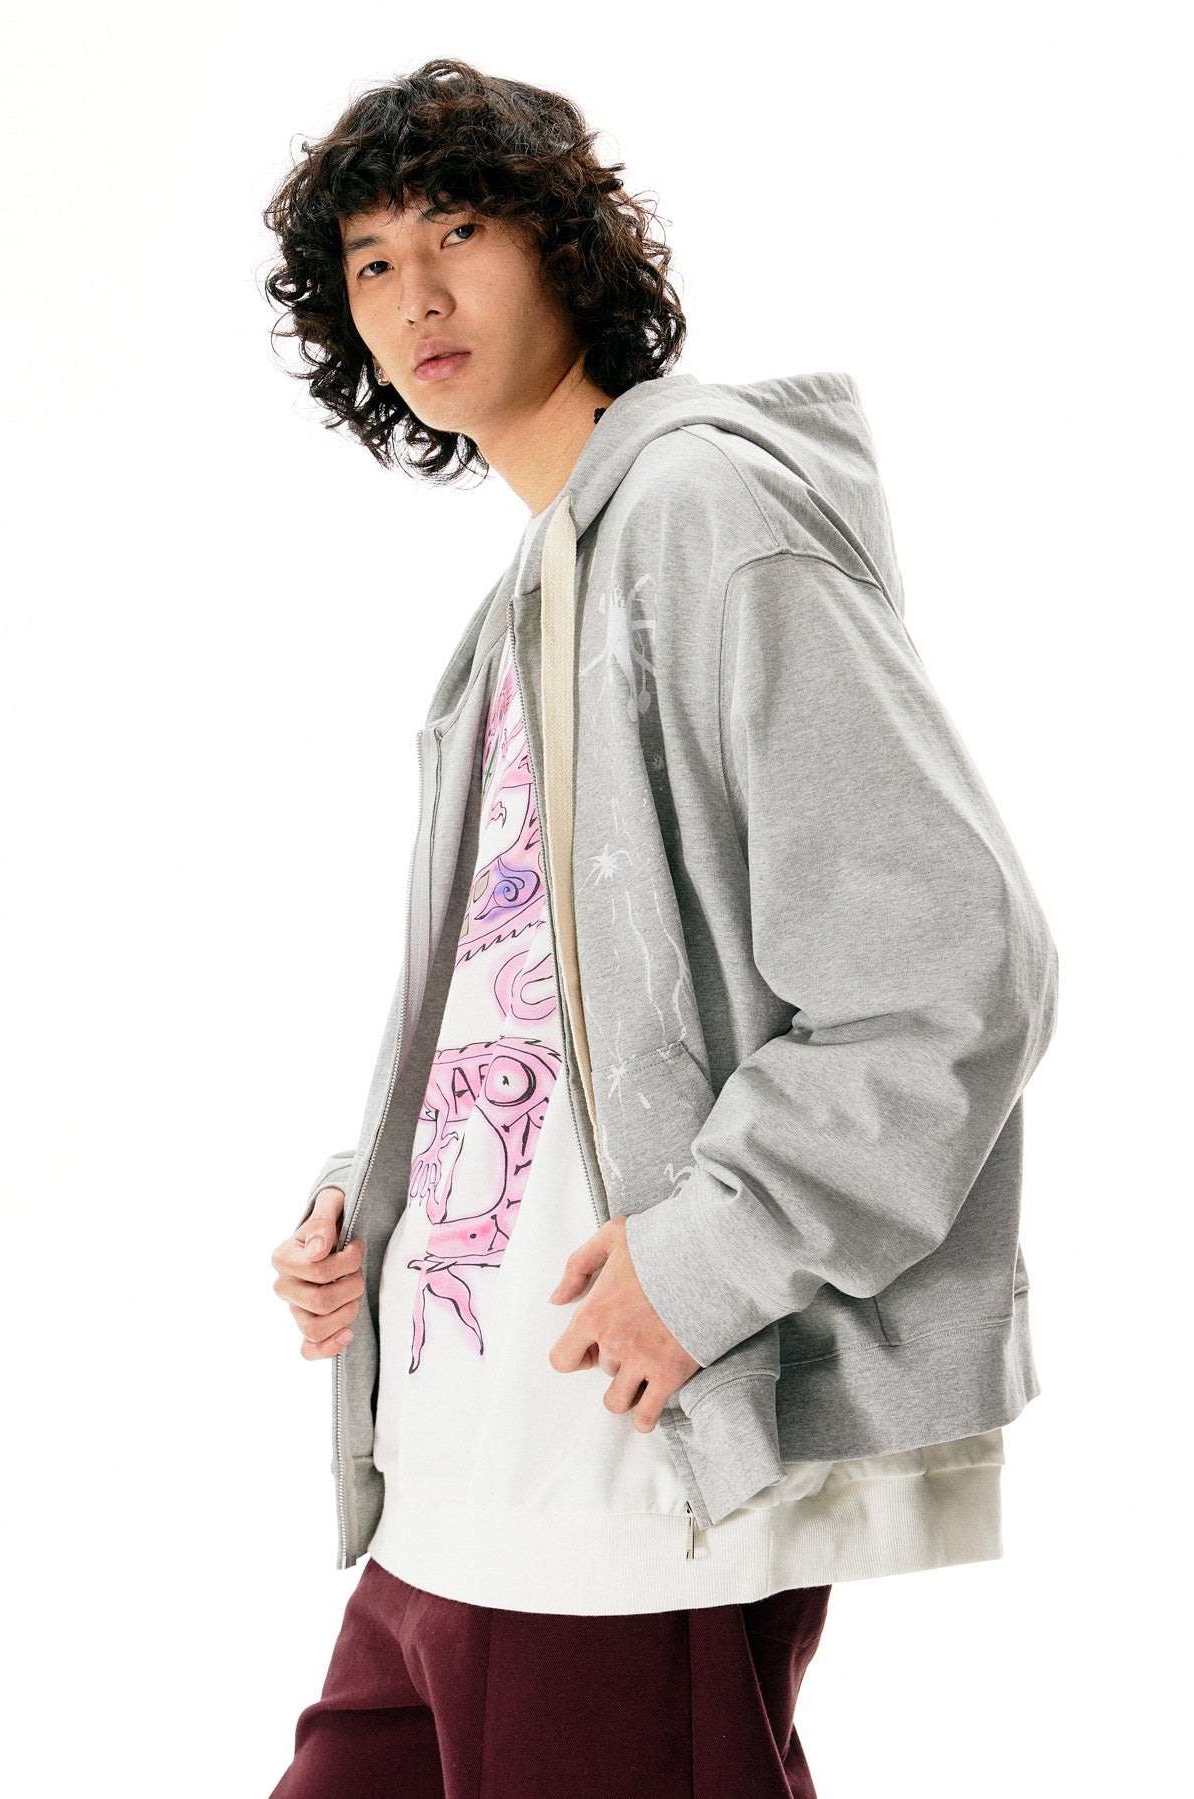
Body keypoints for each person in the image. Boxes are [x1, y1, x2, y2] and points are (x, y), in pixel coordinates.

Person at [261, 56, 1059, 1799]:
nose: (416, 295)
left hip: (623, 1499)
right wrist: (371, 1201)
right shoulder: (524, 601)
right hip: (451, 1481)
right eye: (372, 264)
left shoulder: (709, 514)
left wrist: (712, 1260)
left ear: (563, 249)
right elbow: (545, 1013)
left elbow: (955, 967)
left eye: (458, 233)